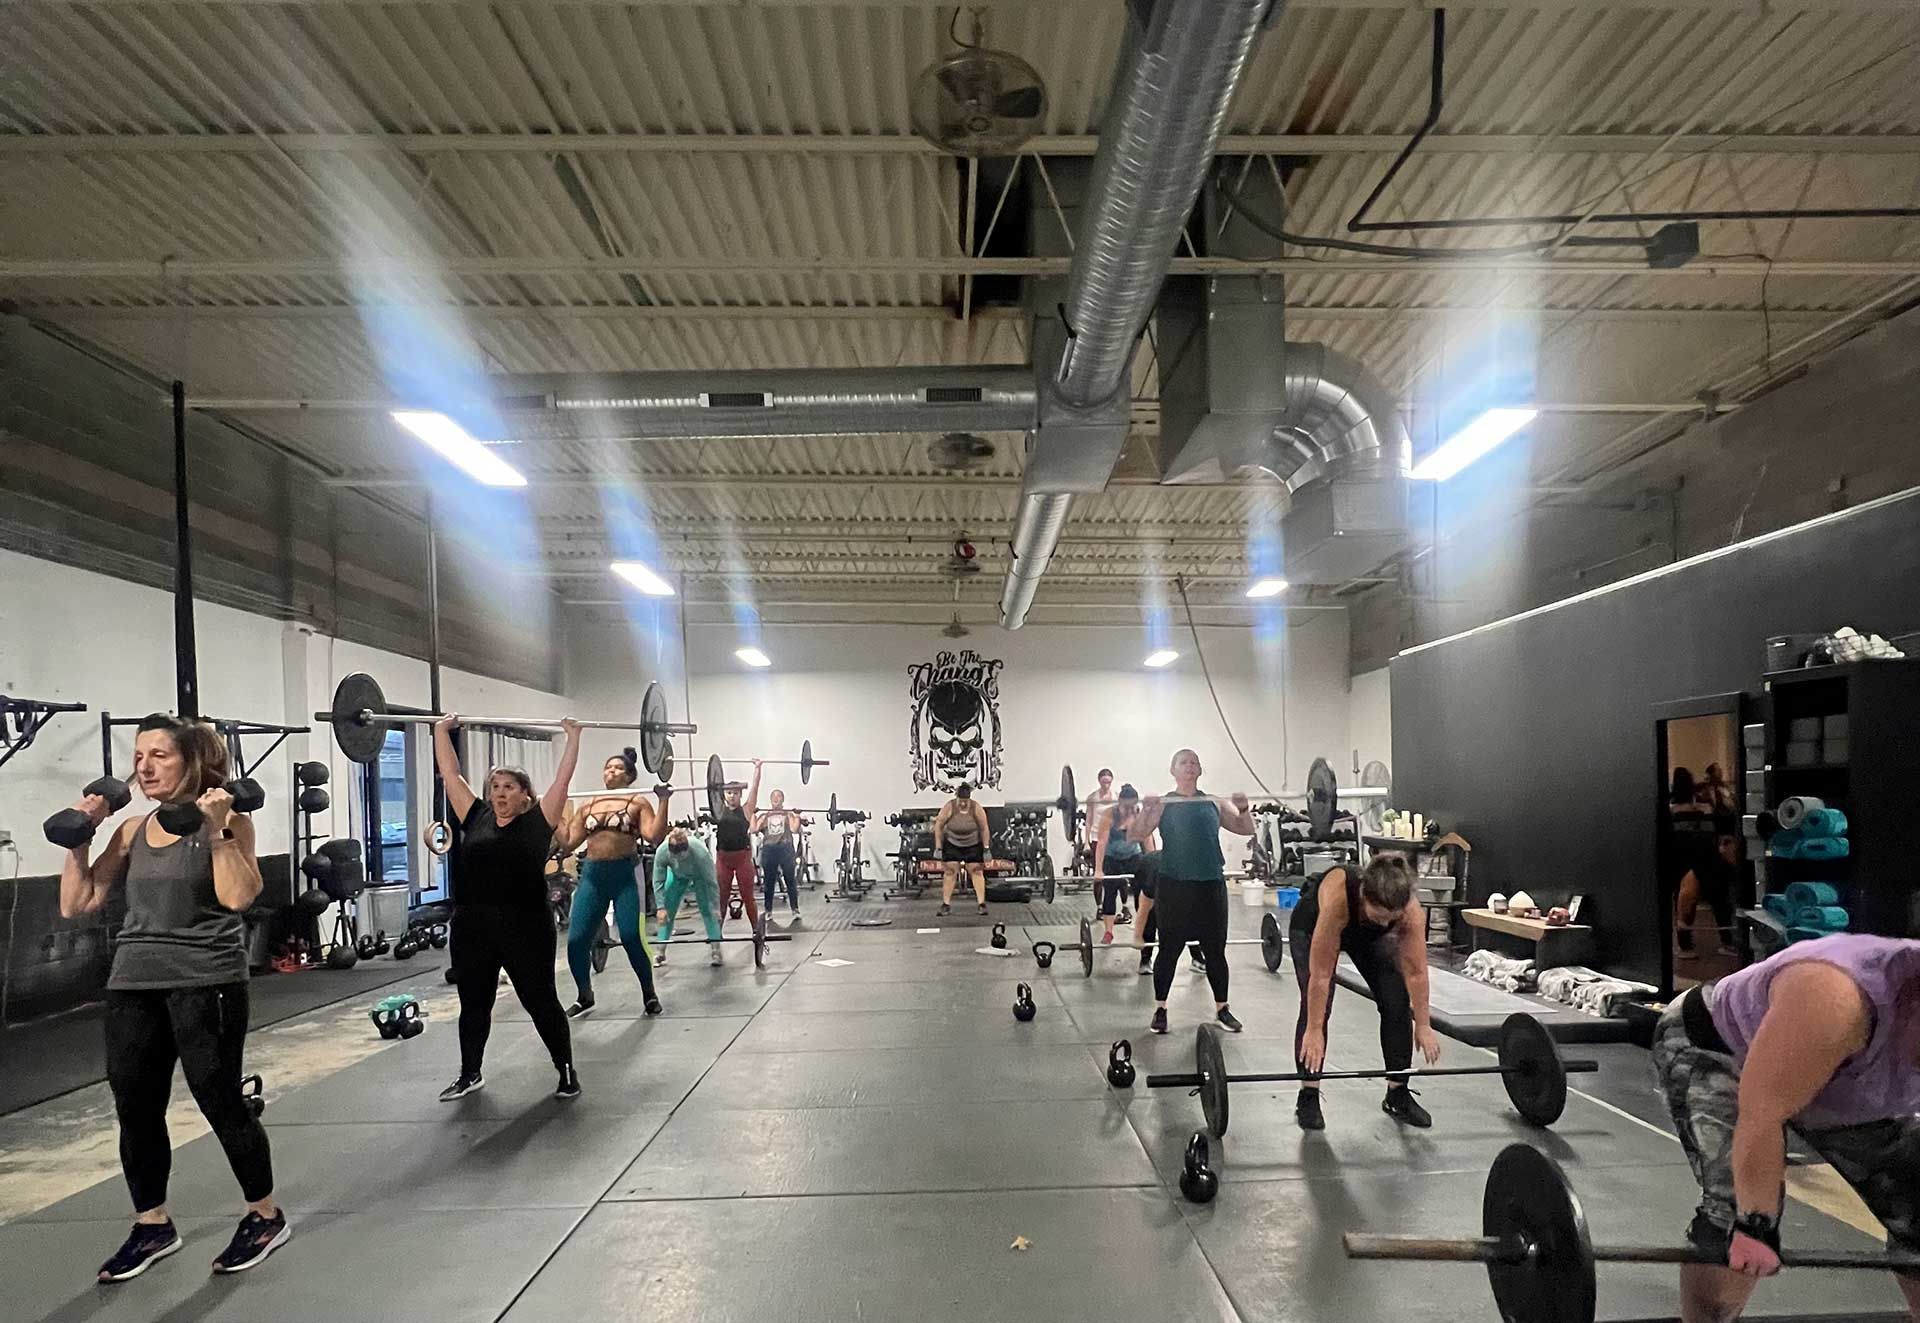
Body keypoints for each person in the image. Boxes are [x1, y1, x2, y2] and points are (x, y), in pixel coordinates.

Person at [58, 714, 285, 1281]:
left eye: (159, 754)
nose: (145, 766)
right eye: (139, 756)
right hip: (134, 982)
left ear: (193, 761)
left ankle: (265, 1214)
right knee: (135, 1108)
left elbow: (237, 898)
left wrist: (216, 831)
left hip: (206, 979)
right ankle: (152, 1223)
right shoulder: (132, 830)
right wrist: (79, 836)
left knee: (219, 1099)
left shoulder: (228, 820)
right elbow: (77, 903)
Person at [1650, 934, 1920, 1323]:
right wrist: (1754, 1225)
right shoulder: (1835, 996)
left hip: (1848, 1077)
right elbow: (1761, 1115)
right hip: (1723, 1048)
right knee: (1735, 1209)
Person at [434, 714, 583, 1103]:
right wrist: (439, 731)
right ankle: (470, 1073)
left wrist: (572, 737)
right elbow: (451, 776)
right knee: (474, 1004)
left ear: (525, 794)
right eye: (495, 786)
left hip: (525, 927)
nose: (500, 793)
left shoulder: (538, 822)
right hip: (473, 927)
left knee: (540, 1001)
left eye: (509, 787)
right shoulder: (477, 816)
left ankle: (565, 1070)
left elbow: (562, 781)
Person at [1290, 854, 1441, 1131]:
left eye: (1391, 919)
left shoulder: (1409, 911)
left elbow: (1416, 972)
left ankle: (1397, 1094)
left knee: (1396, 1000)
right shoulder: (1339, 898)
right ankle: (1308, 1095)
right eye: (1380, 916)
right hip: (1312, 923)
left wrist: (1423, 1024)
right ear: (1364, 896)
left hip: (1365, 938)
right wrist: (1313, 1029)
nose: (1386, 924)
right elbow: (1321, 977)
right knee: (1317, 1009)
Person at [1129, 749, 1253, 1035]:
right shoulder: (1163, 803)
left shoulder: (1213, 802)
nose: (1189, 765)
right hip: (1174, 886)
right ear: (1172, 770)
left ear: (1200, 770)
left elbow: (1245, 829)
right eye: (1183, 762)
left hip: (1211, 886)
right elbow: (1136, 834)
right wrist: (1147, 810)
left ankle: (1223, 1009)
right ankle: (1160, 1009)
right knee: (1169, 950)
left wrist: (1244, 808)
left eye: (1194, 761)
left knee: (1215, 952)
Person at [556, 746, 670, 1018]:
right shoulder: (588, 805)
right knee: (576, 940)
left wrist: (664, 800)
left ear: (629, 775)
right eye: (608, 767)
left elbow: (654, 835)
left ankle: (649, 993)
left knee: (631, 936)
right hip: (593, 877)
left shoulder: (638, 802)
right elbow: (569, 842)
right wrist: (554, 813)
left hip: (624, 876)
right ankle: (585, 994)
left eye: (618, 768)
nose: (611, 771)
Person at [654, 827, 724, 965]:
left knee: (707, 910)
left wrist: (716, 907)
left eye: (682, 853)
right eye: (675, 853)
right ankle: (660, 951)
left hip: (700, 876)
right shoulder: (662, 852)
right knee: (666, 912)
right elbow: (658, 881)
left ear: (686, 848)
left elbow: (711, 882)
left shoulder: (700, 853)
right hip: (677, 876)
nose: (679, 857)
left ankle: (716, 950)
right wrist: (660, 907)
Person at [1092, 785, 1147, 946]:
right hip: (1112, 857)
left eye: (1133, 806)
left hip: (1133, 855)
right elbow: (1101, 842)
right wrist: (1098, 869)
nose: (1130, 809)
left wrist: (1153, 862)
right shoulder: (1110, 814)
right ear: (1119, 802)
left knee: (1142, 893)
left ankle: (1141, 930)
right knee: (1110, 893)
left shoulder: (1138, 813)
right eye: (1127, 806)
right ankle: (1108, 933)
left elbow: (1147, 839)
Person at [1676, 832, 1742, 963]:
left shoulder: (1726, 858)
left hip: (1713, 856)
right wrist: (1682, 923)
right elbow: (1687, 894)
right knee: (1689, 899)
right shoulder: (1703, 854)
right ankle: (1685, 946)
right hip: (1681, 857)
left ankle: (1727, 942)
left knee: (1719, 897)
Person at [713, 759, 762, 934]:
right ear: (723, 795)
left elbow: (755, 790)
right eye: (728, 793)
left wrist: (757, 769)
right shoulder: (717, 811)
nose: (732, 796)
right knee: (722, 898)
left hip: (742, 858)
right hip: (723, 859)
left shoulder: (747, 810)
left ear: (740, 795)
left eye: (735, 793)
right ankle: (716, 935)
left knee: (748, 897)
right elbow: (711, 789)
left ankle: (756, 931)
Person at [933, 782, 992, 916]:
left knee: (976, 870)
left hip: (972, 843)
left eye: (966, 801)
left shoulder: (976, 808)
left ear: (969, 799)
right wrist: (938, 847)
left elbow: (984, 828)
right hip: (952, 842)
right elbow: (938, 825)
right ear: (957, 798)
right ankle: (946, 904)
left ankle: (981, 904)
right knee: (950, 870)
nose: (963, 804)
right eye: (961, 801)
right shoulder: (950, 806)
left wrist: (986, 848)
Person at [755, 788, 804, 921]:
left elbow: (794, 829)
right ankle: (768, 911)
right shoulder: (764, 816)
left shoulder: (788, 815)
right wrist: (753, 815)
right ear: (771, 800)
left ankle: (795, 909)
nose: (776, 799)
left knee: (790, 880)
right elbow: (753, 829)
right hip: (769, 849)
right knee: (769, 882)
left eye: (779, 796)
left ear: (783, 799)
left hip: (785, 848)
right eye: (774, 797)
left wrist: (797, 815)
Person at [1083, 767, 1117, 908]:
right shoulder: (1092, 798)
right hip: (1097, 838)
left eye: (1108, 782)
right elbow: (1089, 820)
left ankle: (1122, 906)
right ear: (1099, 781)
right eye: (1103, 782)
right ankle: (1099, 907)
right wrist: (1086, 842)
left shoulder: (1116, 796)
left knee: (1115, 874)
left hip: (1112, 839)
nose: (1106, 785)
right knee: (1098, 875)